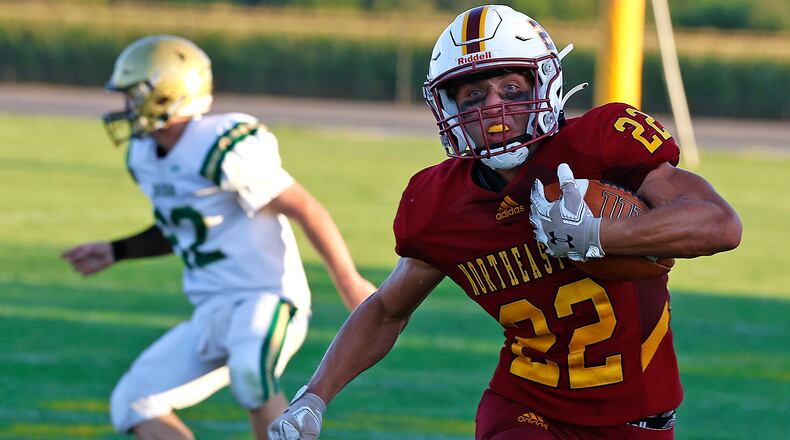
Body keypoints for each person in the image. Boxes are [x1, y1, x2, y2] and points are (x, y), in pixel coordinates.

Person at [267, 5, 742, 440]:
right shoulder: (440, 204)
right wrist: (315, 395)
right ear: (449, 109)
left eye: (512, 89)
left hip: (638, 415)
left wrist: (599, 235)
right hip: (525, 407)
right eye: (474, 94)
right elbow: (388, 308)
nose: (494, 108)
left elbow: (720, 225)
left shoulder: (599, 146)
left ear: (546, 85)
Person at [60, 34, 375, 440]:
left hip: (268, 297)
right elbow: (185, 225)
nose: (126, 107)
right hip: (212, 307)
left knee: (249, 374)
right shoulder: (144, 156)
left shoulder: (219, 145)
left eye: (134, 94)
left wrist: (348, 281)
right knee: (134, 400)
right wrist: (118, 250)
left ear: (168, 94)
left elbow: (304, 207)